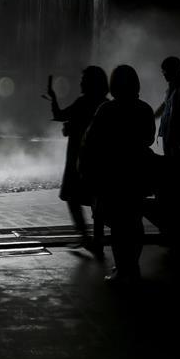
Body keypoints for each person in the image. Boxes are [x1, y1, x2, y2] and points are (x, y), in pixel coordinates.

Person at [80, 65, 156, 285]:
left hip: (112, 174)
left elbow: (92, 141)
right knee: (134, 220)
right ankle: (133, 266)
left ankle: (123, 269)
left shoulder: (107, 110)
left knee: (118, 223)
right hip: (137, 172)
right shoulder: (144, 109)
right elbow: (149, 138)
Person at [42, 67, 109, 258]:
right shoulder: (105, 103)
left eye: (83, 79)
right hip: (99, 159)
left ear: (89, 82)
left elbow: (60, 115)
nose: (80, 83)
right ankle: (97, 240)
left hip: (79, 158)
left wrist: (53, 97)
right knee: (97, 200)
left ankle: (85, 236)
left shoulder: (83, 102)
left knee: (73, 197)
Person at [154, 56, 180, 172]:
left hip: (179, 138)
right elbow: (164, 106)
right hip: (169, 136)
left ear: (175, 70)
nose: (163, 74)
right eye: (163, 71)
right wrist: (152, 116)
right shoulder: (170, 89)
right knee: (173, 167)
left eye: (165, 70)